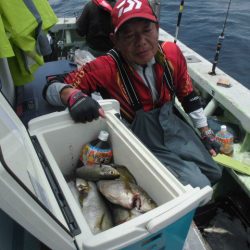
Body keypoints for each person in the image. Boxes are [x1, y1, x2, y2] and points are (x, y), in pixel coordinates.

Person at [44, 0, 222, 188]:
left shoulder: (172, 53)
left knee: (215, 172)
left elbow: (187, 94)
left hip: (172, 126)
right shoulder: (105, 68)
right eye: (129, 35)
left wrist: (205, 132)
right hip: (143, 139)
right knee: (199, 184)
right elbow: (51, 87)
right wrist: (72, 95)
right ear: (115, 41)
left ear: (157, 28)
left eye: (147, 30)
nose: (142, 43)